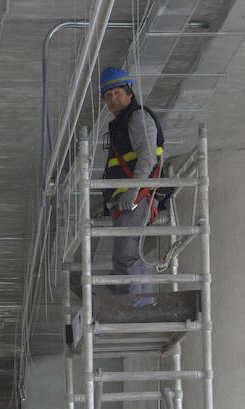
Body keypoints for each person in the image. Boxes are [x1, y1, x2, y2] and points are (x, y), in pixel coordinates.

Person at [99, 66, 163, 309]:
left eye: (117, 93)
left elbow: (148, 156)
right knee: (122, 259)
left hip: (137, 199)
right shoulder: (122, 123)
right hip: (127, 200)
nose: (113, 99)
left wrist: (134, 190)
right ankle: (130, 302)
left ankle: (141, 307)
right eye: (108, 96)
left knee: (128, 255)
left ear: (129, 93)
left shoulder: (137, 117)